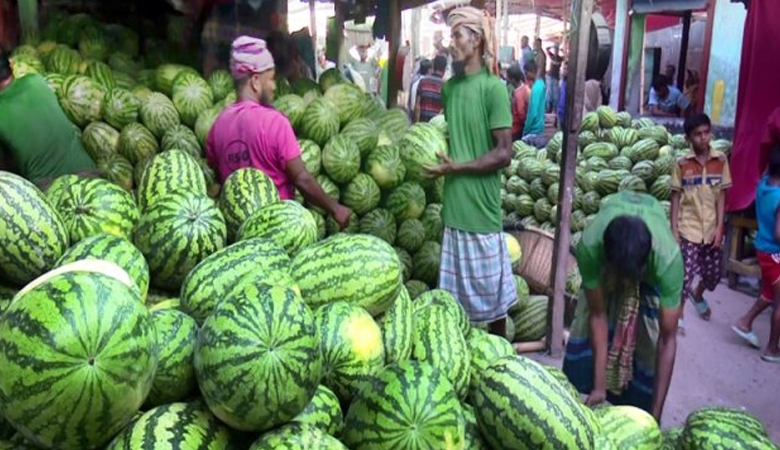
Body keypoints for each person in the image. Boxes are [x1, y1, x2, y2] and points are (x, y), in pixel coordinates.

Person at [424, 6, 516, 337]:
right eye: (451, 36)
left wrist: (457, 166)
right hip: (454, 212)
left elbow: (504, 153)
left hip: (482, 212)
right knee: (452, 309)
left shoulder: (494, 89)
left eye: (457, 35)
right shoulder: (449, 90)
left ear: (475, 39)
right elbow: (457, 137)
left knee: (496, 309)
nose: (452, 43)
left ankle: (499, 363)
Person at [206, 36, 350, 229]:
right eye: (271, 79)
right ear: (255, 81)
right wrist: (335, 208)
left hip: (238, 232)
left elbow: (217, 174)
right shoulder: (275, 123)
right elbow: (302, 179)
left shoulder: (218, 126)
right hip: (278, 228)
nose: (274, 86)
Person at [563, 191, 682, 421]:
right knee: (586, 322)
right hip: (607, 255)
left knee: (648, 340)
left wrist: (655, 416)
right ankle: (594, 386)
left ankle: (641, 407)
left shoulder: (669, 261)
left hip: (651, 263)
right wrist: (599, 388)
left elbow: (668, 340)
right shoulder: (590, 246)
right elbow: (597, 315)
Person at [0, 49, 97, 187]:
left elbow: (4, 176)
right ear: (11, 65)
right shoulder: (36, 80)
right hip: (92, 176)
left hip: (52, 190)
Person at [670, 114, 731, 333]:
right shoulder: (682, 164)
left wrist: (720, 227)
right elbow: (675, 197)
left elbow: (722, 196)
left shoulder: (721, 161)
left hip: (712, 229)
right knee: (685, 277)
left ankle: (699, 294)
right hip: (689, 228)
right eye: (697, 134)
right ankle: (679, 315)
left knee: (713, 276)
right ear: (688, 138)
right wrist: (675, 229)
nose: (703, 138)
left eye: (706, 133)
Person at [732, 150, 780, 363]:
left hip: (762, 248)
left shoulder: (762, 185)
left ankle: (745, 321)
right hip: (774, 252)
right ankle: (772, 349)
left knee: (769, 293)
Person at [414, 55, 447, 123]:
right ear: (444, 69)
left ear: (433, 66)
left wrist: (416, 123)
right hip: (436, 128)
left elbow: (417, 106)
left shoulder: (423, 82)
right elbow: (444, 109)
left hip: (422, 125)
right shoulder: (446, 86)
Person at [522, 61, 545, 144]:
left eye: (526, 73)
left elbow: (533, 112)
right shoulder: (541, 84)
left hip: (533, 130)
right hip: (540, 129)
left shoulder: (536, 88)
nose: (526, 75)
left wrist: (525, 130)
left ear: (532, 72)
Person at [508, 64, 530, 141]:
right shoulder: (524, 88)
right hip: (519, 127)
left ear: (513, 80)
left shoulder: (517, 94)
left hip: (516, 128)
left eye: (509, 78)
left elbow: (521, 113)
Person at [546, 44, 563, 113]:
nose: (556, 51)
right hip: (550, 77)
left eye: (557, 49)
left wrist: (562, 50)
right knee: (549, 93)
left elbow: (567, 56)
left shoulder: (560, 58)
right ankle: (549, 108)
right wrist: (553, 46)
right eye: (555, 49)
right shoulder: (552, 56)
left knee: (555, 95)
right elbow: (547, 49)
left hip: (555, 78)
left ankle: (554, 109)